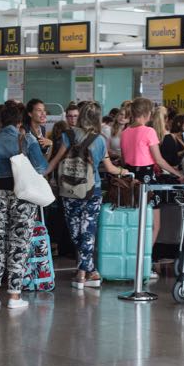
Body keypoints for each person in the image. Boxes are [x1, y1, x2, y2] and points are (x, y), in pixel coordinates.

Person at [45, 102, 132, 289]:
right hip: (92, 190)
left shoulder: (68, 135)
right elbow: (109, 168)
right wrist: (124, 171)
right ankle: (87, 272)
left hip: (68, 190)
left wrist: (42, 173)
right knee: (88, 231)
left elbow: (55, 160)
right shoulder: (99, 140)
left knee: (76, 232)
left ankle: (83, 273)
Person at [0, 101, 47, 309]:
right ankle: (14, 296)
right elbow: (41, 167)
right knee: (19, 244)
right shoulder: (26, 139)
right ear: (19, 120)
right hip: (22, 196)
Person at [120, 98, 184, 278]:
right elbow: (159, 160)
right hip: (147, 179)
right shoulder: (149, 131)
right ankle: (143, 263)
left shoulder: (125, 132)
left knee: (133, 223)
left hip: (129, 179)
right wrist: (178, 173)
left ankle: (130, 260)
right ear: (147, 113)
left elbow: (124, 158)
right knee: (154, 225)